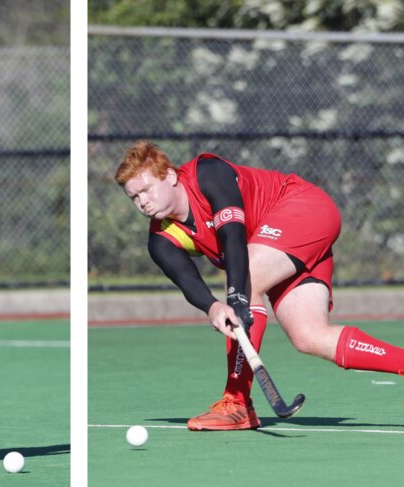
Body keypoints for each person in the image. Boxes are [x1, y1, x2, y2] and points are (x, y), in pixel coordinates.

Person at [115, 140, 404, 431]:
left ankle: (237, 402)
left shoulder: (208, 172)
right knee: (309, 335)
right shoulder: (161, 240)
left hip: (304, 209)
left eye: (146, 189)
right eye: (134, 197)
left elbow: (233, 237)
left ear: (171, 176)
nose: (142, 202)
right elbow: (187, 280)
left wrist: (236, 296)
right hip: (278, 248)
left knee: (245, 274)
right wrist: (213, 307)